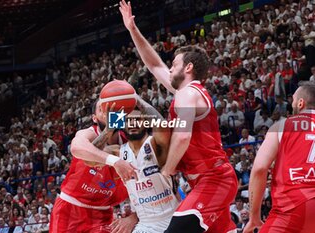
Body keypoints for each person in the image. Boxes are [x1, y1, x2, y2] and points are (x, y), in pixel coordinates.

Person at [119, 1, 238, 232]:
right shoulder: (185, 94)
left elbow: (182, 136)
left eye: (174, 64)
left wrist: (168, 169)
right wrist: (133, 30)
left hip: (214, 179)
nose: (170, 68)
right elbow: (154, 65)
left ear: (188, 67)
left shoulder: (187, 94)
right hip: (205, 181)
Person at [50, 101, 137, 233]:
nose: (107, 111)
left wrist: (135, 217)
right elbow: (76, 148)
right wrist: (114, 160)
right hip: (69, 209)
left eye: (110, 108)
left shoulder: (131, 142)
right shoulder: (88, 134)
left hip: (102, 213)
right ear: (94, 118)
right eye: (102, 109)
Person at [244, 81, 315, 233]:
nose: (292, 103)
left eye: (294, 100)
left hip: (294, 204)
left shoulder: (282, 126)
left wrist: (254, 215)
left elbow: (259, 169)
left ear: (301, 103)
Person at [108, 96, 178, 233]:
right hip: (145, 224)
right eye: (128, 120)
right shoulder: (118, 152)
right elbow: (89, 158)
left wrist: (136, 100)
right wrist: (108, 129)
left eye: (137, 120)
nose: (133, 123)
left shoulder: (154, 144)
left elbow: (162, 126)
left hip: (171, 218)